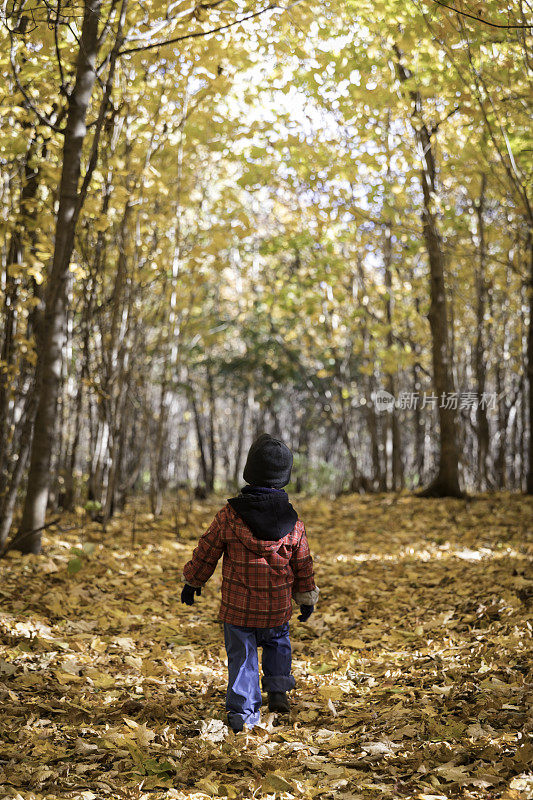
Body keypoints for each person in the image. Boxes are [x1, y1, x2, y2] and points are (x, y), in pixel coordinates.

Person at [180, 433, 319, 732]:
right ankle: (278, 690)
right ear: (285, 477)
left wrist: (193, 581)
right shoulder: (293, 522)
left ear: (249, 471)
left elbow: (208, 550)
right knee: (278, 643)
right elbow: (303, 564)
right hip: (276, 608)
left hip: (238, 611)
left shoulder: (230, 516)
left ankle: (244, 716)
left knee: (242, 659)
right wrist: (305, 597)